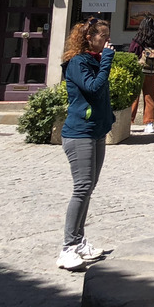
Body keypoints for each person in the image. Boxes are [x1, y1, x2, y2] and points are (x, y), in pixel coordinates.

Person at [57, 16, 115, 271]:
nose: (107, 41)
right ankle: (67, 248)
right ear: (89, 38)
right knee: (81, 188)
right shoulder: (78, 62)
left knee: (89, 187)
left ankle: (79, 242)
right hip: (79, 133)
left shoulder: (92, 60)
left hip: (95, 131)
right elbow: (92, 88)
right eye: (103, 36)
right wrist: (107, 63)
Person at [128, 14, 154, 134]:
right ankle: (149, 123)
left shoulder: (137, 40)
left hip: (139, 71)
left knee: (134, 97)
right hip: (151, 71)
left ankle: (128, 121)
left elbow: (132, 54)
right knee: (150, 97)